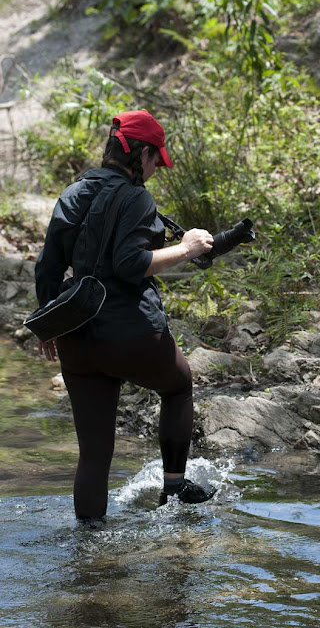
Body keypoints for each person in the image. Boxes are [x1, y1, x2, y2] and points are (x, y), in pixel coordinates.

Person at [34, 109, 218, 526]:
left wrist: (48, 322)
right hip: (132, 335)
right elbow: (131, 263)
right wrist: (188, 248)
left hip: (76, 339)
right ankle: (174, 489)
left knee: (94, 455)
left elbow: (47, 266)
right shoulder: (137, 197)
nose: (155, 170)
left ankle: (89, 547)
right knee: (178, 385)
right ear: (142, 154)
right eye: (156, 160)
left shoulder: (74, 191)